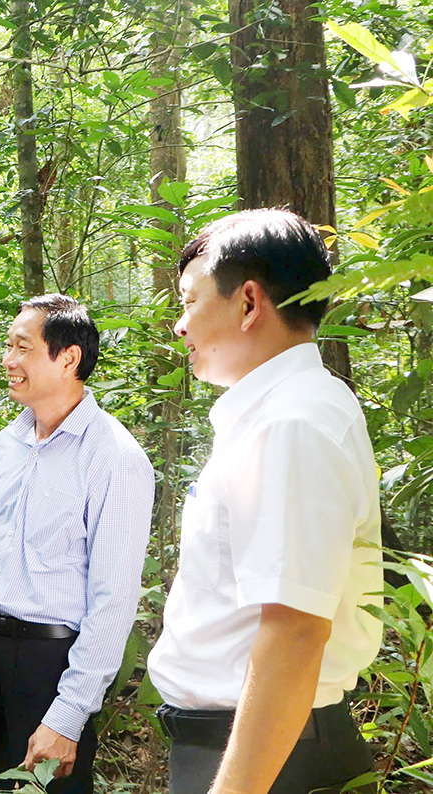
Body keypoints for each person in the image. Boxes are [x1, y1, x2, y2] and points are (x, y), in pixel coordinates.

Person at [146, 209, 383, 794]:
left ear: (248, 303)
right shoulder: (283, 413)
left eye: (189, 301)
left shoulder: (292, 423)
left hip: (269, 759)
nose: (181, 325)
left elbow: (297, 632)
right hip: (259, 745)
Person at [0, 294, 154, 794]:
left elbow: (113, 601)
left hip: (48, 664)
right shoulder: (8, 442)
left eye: (22, 347)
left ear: (69, 358)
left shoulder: (114, 455)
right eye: (8, 346)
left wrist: (70, 713)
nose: (8, 360)